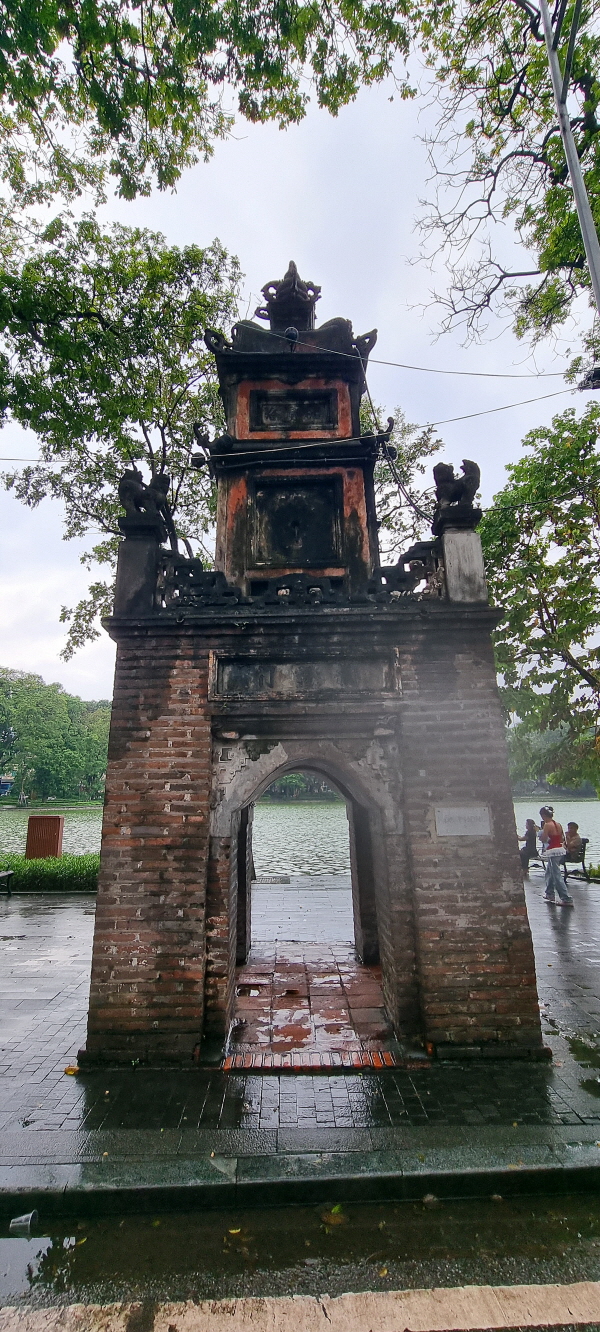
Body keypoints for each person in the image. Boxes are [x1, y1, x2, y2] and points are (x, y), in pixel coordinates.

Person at [539, 806, 573, 906]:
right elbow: (562, 838)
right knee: (549, 871)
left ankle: (566, 898)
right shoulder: (558, 824)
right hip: (559, 849)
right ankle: (549, 893)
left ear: (543, 815)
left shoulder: (547, 825)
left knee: (556, 874)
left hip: (553, 850)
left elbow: (544, 838)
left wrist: (540, 835)